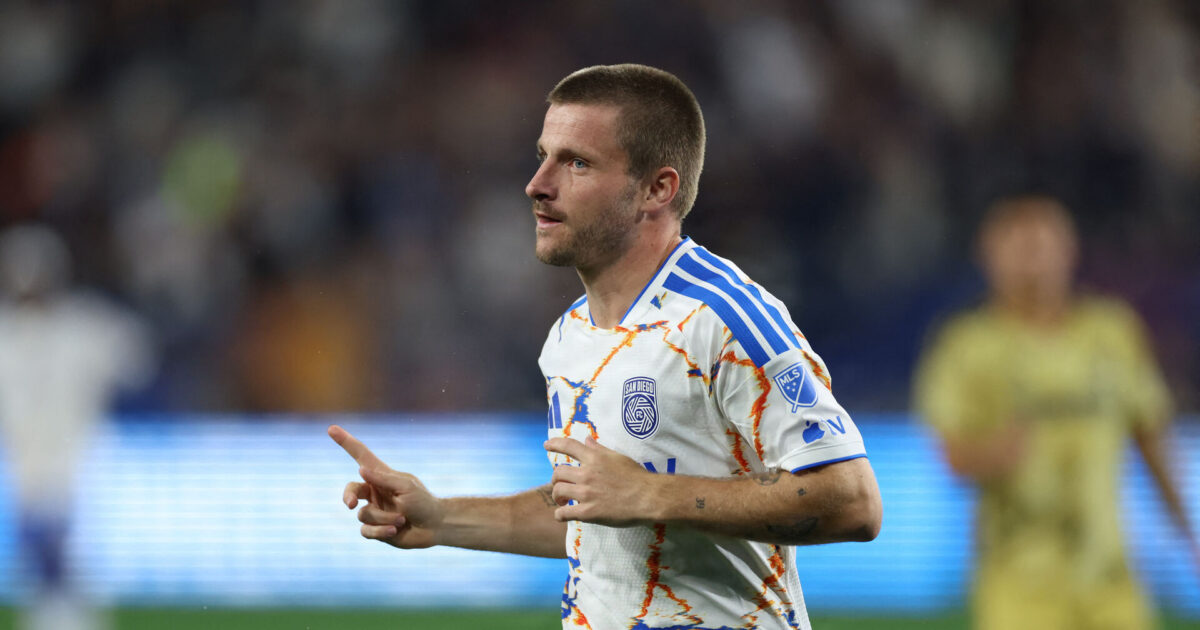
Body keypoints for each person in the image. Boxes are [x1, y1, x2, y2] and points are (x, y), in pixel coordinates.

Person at [329, 64, 882, 630]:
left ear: (657, 189)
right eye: (543, 156)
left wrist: (650, 494)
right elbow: (593, 519)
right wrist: (441, 519)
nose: (538, 184)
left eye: (577, 163)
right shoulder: (570, 334)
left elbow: (852, 501)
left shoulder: (723, 318)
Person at [914, 195, 1199, 630]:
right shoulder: (967, 345)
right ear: (989, 258)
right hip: (1019, 584)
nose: (1033, 264)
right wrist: (995, 454)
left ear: (1070, 251)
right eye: (1019, 249)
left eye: (1042, 247)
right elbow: (950, 454)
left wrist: (1187, 532)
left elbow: (1151, 437)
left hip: (1111, 579)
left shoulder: (1111, 331)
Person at [0, 224, 156, 630]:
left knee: (69, 573)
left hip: (83, 462)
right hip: (24, 466)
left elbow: (140, 362)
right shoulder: (14, 332)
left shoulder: (85, 324)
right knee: (46, 571)